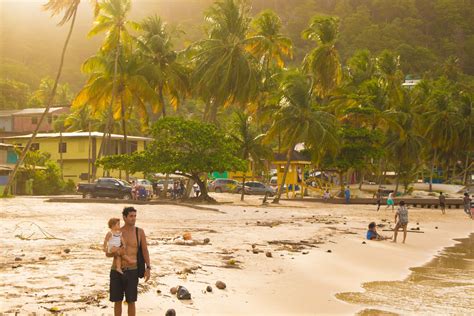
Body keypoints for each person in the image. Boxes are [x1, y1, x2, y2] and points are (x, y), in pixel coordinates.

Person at [106, 207, 151, 316]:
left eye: (135, 216)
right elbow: (108, 253)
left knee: (131, 301)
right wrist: (117, 252)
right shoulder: (117, 233)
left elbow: (145, 250)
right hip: (117, 271)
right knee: (117, 301)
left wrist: (148, 268)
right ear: (124, 217)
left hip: (132, 271)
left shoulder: (139, 232)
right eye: (131, 216)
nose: (133, 218)